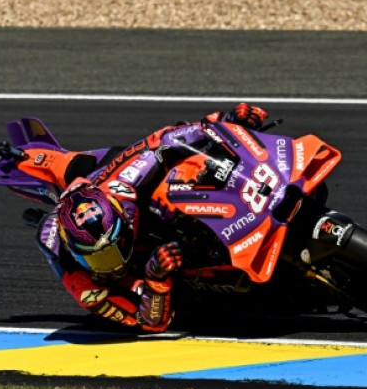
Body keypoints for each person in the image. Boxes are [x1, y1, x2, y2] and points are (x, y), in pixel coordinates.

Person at [35, 103, 269, 332]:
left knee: (178, 164)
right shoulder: (86, 288)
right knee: (196, 308)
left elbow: (162, 140)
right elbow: (149, 322)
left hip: (106, 184)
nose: (115, 263)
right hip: (142, 267)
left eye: (115, 248)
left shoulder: (121, 186)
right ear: (78, 255)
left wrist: (223, 123)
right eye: (100, 258)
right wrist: (156, 281)